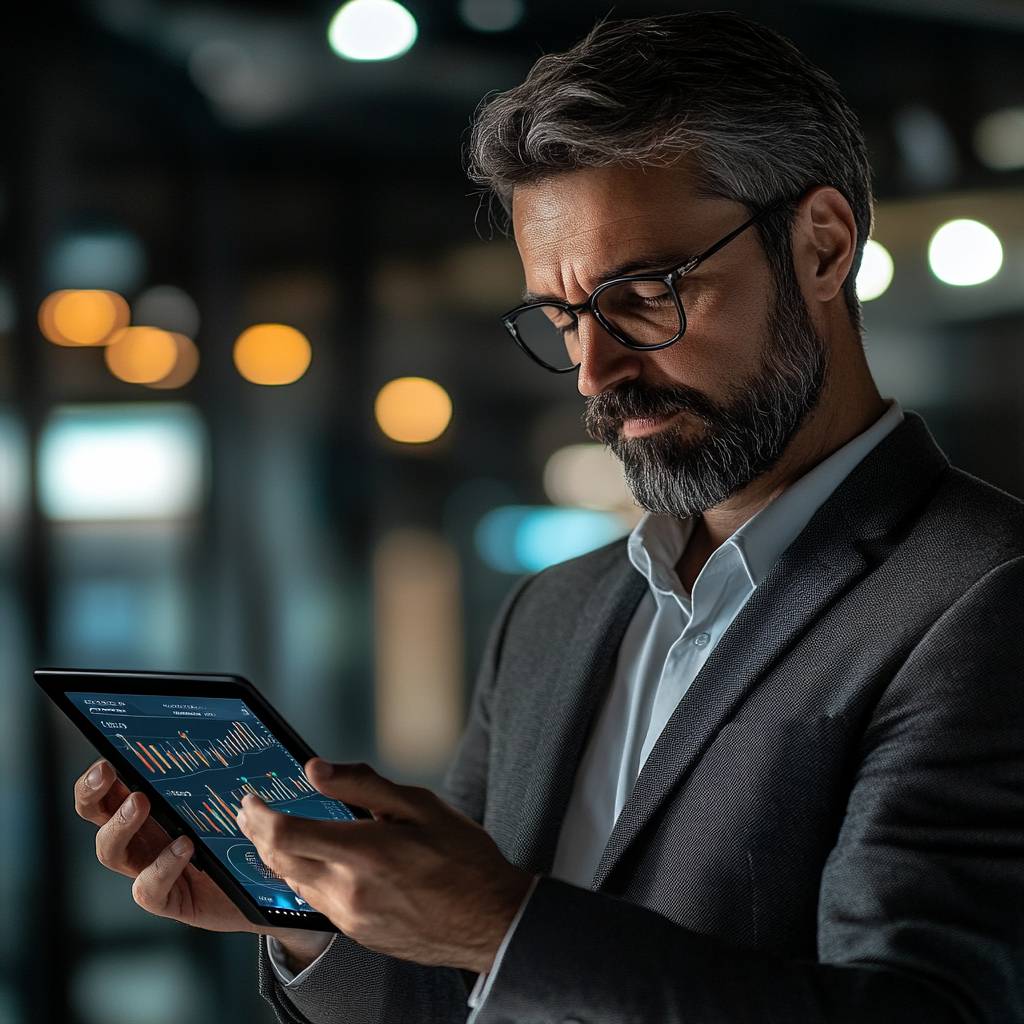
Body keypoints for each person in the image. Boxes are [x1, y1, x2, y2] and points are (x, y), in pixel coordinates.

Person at [73, 11, 1024, 1023]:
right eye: (564, 316)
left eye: (645, 294)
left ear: (822, 247)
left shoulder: (982, 595)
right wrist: (312, 921)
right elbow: (457, 996)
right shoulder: (551, 616)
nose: (597, 370)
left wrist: (500, 924)